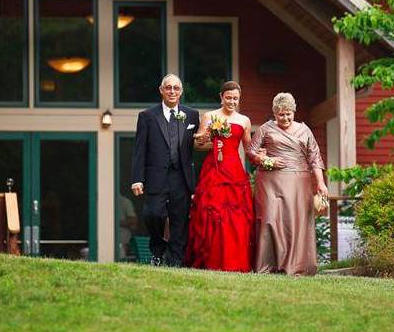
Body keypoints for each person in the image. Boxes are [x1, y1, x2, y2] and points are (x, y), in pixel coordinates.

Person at [246, 92, 328, 276]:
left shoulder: (305, 130)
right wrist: (268, 160)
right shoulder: (265, 129)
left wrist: (321, 183)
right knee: (269, 218)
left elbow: (315, 158)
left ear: (294, 111)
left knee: (294, 221)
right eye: (281, 114)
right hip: (270, 182)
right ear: (275, 113)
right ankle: (268, 265)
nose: (285, 117)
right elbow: (251, 152)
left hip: (298, 182)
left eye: (288, 113)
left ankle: (296, 265)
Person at [131, 74, 200, 267]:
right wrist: (137, 179)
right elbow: (139, 150)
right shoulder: (147, 116)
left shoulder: (192, 115)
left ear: (181, 92)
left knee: (180, 218)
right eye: (168, 88)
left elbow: (198, 145)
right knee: (154, 214)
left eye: (176, 88)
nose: (172, 91)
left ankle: (176, 259)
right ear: (161, 90)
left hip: (182, 176)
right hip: (155, 176)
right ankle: (157, 251)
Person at [185, 81, 254, 272]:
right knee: (212, 213)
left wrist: (263, 157)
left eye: (235, 98)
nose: (232, 101)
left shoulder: (244, 121)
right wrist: (213, 142)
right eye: (228, 97)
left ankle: (235, 262)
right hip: (214, 169)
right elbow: (198, 144)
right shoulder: (210, 116)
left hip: (235, 171)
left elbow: (249, 149)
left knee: (236, 217)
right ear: (221, 97)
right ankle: (211, 260)